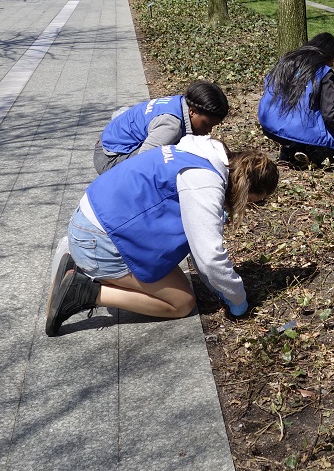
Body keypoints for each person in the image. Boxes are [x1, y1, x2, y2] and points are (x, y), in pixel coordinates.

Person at [44, 136, 280, 336]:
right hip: (98, 241)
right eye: (251, 201)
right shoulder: (204, 183)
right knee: (181, 303)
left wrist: (222, 286)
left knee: (178, 286)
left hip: (91, 221)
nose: (246, 207)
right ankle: (85, 291)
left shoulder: (198, 153)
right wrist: (238, 300)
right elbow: (208, 257)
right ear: (245, 189)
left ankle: (79, 262)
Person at [257, 32, 334, 167]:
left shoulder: (286, 61)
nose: (333, 64)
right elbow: (329, 114)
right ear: (326, 55)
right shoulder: (324, 72)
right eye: (333, 59)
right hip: (300, 130)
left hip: (269, 124)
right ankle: (306, 150)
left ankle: (291, 147)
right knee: (320, 135)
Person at [94, 81, 229, 174]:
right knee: (171, 159)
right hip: (109, 159)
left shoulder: (180, 101)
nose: (208, 131)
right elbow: (140, 165)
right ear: (192, 111)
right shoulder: (171, 126)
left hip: (108, 143)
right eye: (207, 125)